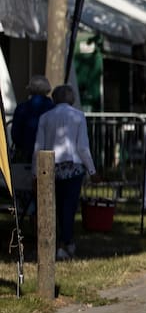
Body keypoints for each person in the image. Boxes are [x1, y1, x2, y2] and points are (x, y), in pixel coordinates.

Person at [34, 85, 96, 260]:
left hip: (50, 166)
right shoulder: (78, 116)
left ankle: (61, 242)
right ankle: (66, 242)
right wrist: (92, 170)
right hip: (73, 167)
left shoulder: (45, 117)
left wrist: (35, 172)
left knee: (56, 207)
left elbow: (38, 147)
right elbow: (83, 147)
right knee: (69, 206)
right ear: (71, 98)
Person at [11, 75, 55, 164]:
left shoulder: (22, 108)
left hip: (26, 153)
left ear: (30, 90)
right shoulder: (53, 108)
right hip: (49, 154)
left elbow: (15, 134)